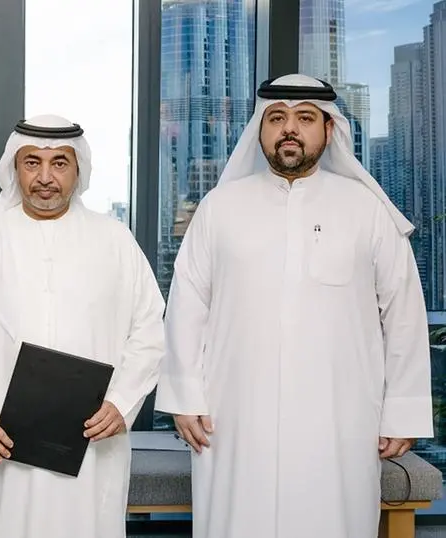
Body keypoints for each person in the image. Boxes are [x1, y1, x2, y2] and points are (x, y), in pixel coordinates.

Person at [154, 73, 434, 538]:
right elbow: (186, 305)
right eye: (277, 118)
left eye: (305, 118)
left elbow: (403, 315)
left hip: (340, 416)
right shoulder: (219, 207)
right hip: (234, 414)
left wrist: (401, 411)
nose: (290, 129)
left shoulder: (366, 211)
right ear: (259, 130)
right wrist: (185, 397)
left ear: (329, 129)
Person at [0, 114, 166, 538]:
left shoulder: (113, 239)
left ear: (79, 171)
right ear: (13, 168)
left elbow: (148, 330)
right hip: (1, 438)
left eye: (59, 163)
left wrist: (121, 402)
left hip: (91, 438)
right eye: (31, 162)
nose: (44, 177)